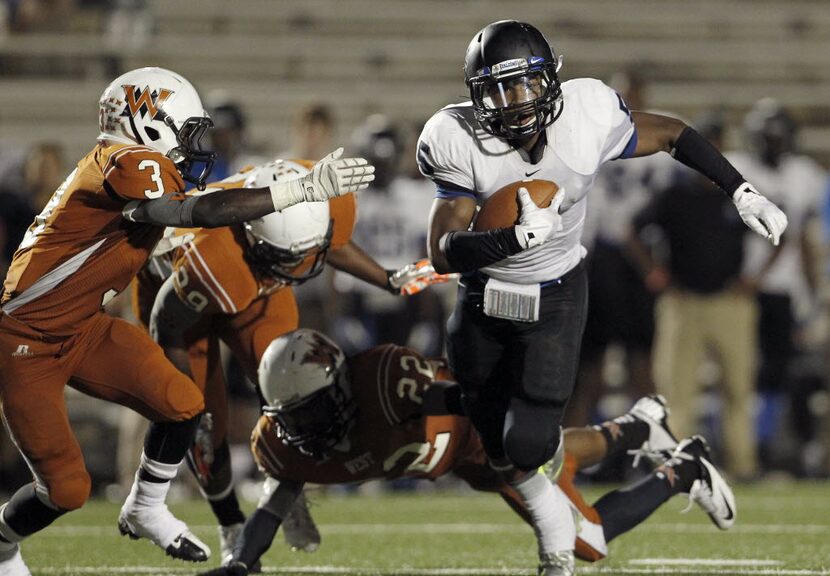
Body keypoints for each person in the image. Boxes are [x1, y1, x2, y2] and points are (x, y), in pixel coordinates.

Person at [417, 20, 786, 575]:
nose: (512, 102)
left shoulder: (585, 116)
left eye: (523, 85)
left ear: (551, 82)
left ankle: (559, 543)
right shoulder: (456, 135)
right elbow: (444, 252)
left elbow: (672, 134)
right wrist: (511, 239)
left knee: (528, 445)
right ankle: (634, 441)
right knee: (496, 448)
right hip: (484, 295)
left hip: (556, 291)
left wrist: (741, 189)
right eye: (495, 89)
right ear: (476, 94)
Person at [0, 66, 373, 575]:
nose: (198, 145)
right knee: (67, 489)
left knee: (184, 404)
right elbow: (196, 212)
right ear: (147, 124)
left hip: (83, 327)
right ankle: (2, 541)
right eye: (189, 131)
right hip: (25, 341)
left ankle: (147, 505)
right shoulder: (126, 161)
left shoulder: (127, 166)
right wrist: (297, 191)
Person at [195, 328, 736, 576]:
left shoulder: (383, 381)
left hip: (492, 445)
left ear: (339, 387)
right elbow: (272, 505)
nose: (304, 427)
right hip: (464, 465)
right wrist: (242, 564)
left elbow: (465, 394)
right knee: (561, 459)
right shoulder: (285, 445)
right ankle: (641, 425)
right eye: (292, 417)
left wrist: (518, 424)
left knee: (586, 541)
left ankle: (683, 469)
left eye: (311, 411)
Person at [136, 158, 449, 564]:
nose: (301, 264)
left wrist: (386, 279)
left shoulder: (323, 195)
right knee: (202, 421)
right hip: (179, 303)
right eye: (290, 257)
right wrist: (184, 396)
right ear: (256, 238)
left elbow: (327, 243)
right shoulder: (217, 260)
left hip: (257, 287)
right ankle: (230, 524)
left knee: (299, 391)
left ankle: (285, 486)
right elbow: (167, 321)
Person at [627, 112, 760, 480]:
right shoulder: (674, 192)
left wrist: (754, 278)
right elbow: (633, 231)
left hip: (729, 302)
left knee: (738, 387)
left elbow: (774, 235)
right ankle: (676, 465)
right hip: (683, 302)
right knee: (677, 389)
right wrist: (653, 271)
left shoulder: (738, 192)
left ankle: (743, 465)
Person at [726, 99, 827, 473]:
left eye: (778, 136)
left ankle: (766, 445)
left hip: (783, 289)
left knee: (776, 372)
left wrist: (811, 291)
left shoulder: (804, 175)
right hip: (742, 288)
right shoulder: (739, 167)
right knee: (742, 371)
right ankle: (743, 447)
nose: (772, 143)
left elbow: (803, 241)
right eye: (767, 136)